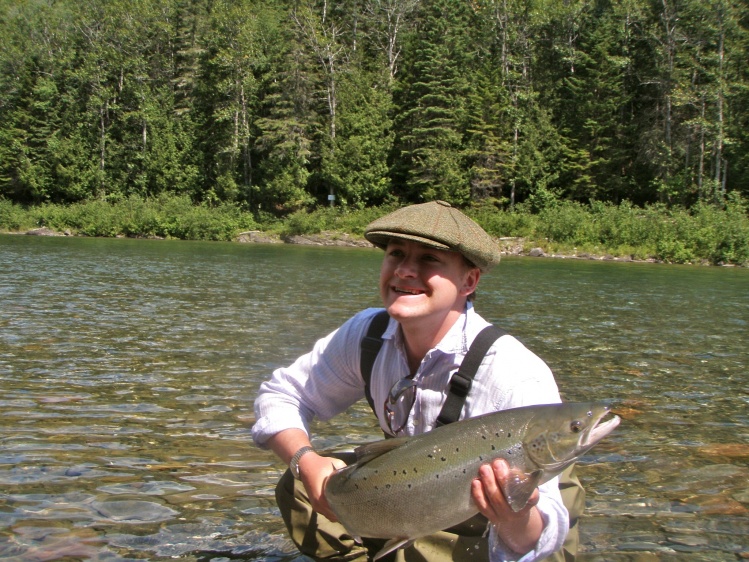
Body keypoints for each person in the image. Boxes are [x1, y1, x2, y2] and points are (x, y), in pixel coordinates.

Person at [252, 200, 578, 562]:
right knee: (297, 483)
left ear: (468, 281)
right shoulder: (367, 333)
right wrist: (305, 461)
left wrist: (515, 519)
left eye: (429, 259)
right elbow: (281, 395)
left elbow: (541, 539)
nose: (404, 271)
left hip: (492, 517)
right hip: (414, 487)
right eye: (395, 254)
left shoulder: (515, 375)